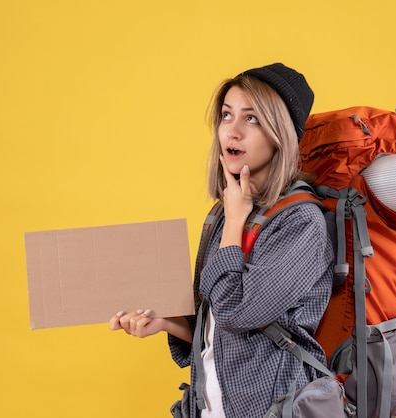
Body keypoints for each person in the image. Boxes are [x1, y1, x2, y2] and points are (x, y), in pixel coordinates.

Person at [109, 63, 334, 418]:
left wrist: (234, 220)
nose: (233, 131)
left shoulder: (301, 223)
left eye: (252, 119)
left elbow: (235, 311)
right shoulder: (224, 212)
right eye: (226, 115)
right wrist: (166, 323)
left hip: (269, 409)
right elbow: (213, 322)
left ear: (280, 135)